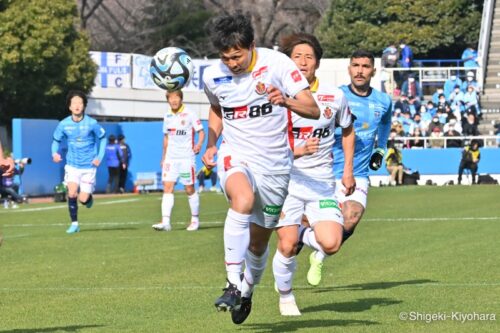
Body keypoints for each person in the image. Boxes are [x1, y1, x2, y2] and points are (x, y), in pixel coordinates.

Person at [200, 12, 319, 323]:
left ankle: (247, 292)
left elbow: (312, 108)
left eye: (237, 56)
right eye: (225, 58)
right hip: (236, 154)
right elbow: (216, 109)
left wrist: (286, 101)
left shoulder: (278, 65)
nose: (232, 63)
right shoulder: (213, 76)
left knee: (258, 242)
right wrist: (211, 142)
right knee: (242, 199)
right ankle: (231, 283)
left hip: (276, 166)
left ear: (251, 46)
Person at [271, 33, 355, 316]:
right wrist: (297, 151)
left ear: (317, 62)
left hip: (321, 184)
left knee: (331, 243)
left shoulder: (335, 96)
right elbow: (266, 146)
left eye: (309, 56)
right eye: (297, 56)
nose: (304, 62)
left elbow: (348, 129)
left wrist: (347, 171)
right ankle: (285, 296)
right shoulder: (276, 98)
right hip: (286, 184)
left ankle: (305, 233)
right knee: (287, 243)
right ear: (288, 62)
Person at [300, 50, 392, 286]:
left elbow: (384, 126)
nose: (360, 70)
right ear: (349, 69)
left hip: (357, 173)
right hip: (325, 171)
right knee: (305, 226)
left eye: (365, 66)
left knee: (351, 217)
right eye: (355, 65)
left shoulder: (383, 101)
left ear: (374, 70)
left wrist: (380, 150)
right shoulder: (335, 96)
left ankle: (319, 255)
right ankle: (304, 242)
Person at [51, 90, 106, 234]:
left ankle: (88, 199)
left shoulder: (92, 123)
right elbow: (56, 141)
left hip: (88, 167)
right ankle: (74, 224)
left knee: (82, 199)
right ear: (69, 106)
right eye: (74, 103)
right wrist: (54, 153)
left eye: (80, 103)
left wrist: (99, 157)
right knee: (72, 193)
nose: (77, 105)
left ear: (84, 106)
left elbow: (103, 138)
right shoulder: (64, 124)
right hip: (72, 166)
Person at [152, 89, 205, 232]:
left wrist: (199, 144)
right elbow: (166, 138)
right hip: (170, 158)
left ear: (181, 98)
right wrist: (163, 157)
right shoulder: (167, 115)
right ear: (167, 100)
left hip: (186, 158)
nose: (174, 100)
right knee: (167, 187)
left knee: (189, 188)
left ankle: (195, 220)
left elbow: (201, 132)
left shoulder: (190, 113)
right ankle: (166, 222)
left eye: (176, 97)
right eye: (171, 98)